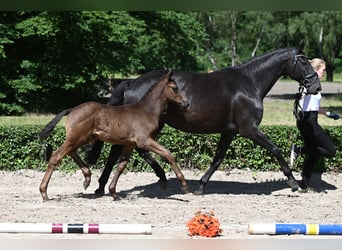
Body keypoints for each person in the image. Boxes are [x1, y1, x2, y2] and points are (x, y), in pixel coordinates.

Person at [290, 58, 340, 192]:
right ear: (316, 69)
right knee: (330, 151)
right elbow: (303, 94)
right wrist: (302, 93)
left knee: (314, 153)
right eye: (323, 70)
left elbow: (313, 106)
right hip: (308, 121)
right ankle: (299, 150)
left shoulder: (315, 84)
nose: (324, 73)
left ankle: (304, 185)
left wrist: (328, 113)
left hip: (308, 120)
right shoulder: (308, 83)